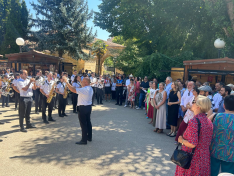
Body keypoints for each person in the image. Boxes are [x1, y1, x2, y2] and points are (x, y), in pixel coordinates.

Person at [175, 95, 213, 176]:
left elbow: (192, 144)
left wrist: (181, 140)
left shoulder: (194, 121)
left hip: (192, 158)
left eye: (193, 102)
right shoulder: (208, 121)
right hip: (204, 157)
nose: (192, 103)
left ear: (198, 106)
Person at [63, 76, 93, 145]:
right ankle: (89, 137)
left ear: (85, 82)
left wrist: (67, 82)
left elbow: (73, 90)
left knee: (83, 124)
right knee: (88, 122)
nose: (81, 82)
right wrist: (80, 81)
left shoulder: (84, 89)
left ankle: (84, 140)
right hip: (88, 107)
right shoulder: (90, 88)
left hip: (82, 108)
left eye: (82, 81)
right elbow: (83, 86)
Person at [209, 95, 234, 175]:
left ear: (224, 105)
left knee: (212, 171)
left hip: (214, 150)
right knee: (228, 173)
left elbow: (204, 129)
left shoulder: (215, 116)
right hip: (231, 153)